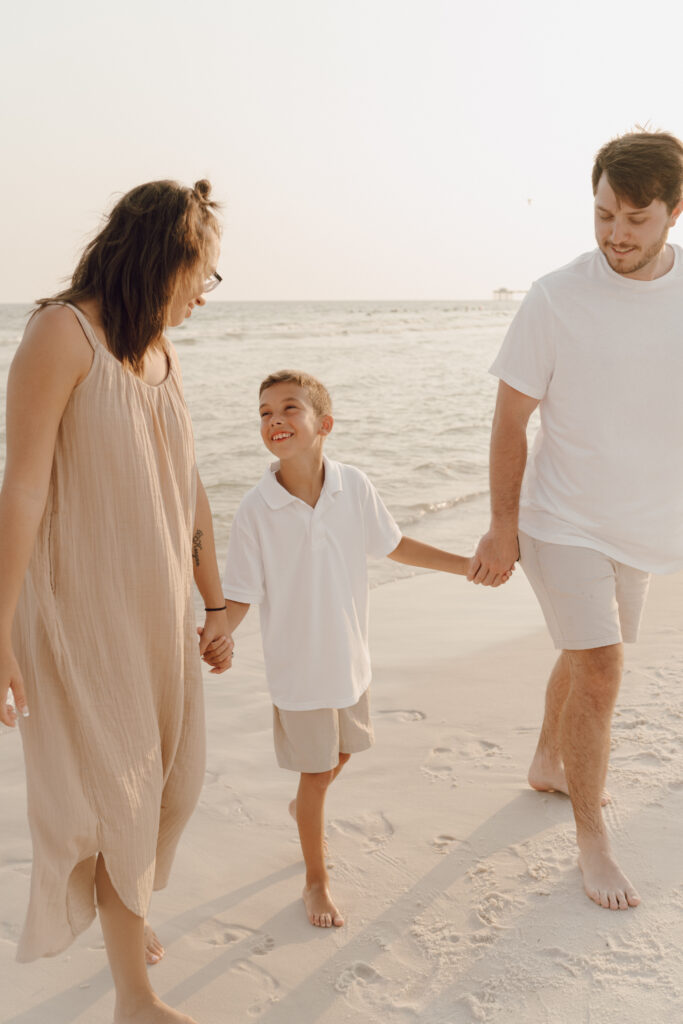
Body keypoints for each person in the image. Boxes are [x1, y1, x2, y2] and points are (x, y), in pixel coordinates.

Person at [0, 180, 233, 1024]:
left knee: (174, 784)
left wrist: (216, 601)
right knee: (119, 792)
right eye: (201, 275)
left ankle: (123, 916)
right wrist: (0, 631)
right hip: (77, 607)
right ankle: (135, 995)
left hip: (158, 606)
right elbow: (21, 488)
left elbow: (189, 483)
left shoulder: (161, 352)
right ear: (163, 259)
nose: (204, 294)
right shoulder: (63, 336)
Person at [468, 129, 683, 912]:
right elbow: (508, 420)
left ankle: (545, 761)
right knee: (600, 669)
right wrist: (501, 524)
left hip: (645, 524)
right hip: (560, 519)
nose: (614, 235)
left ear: (672, 213)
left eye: (634, 219)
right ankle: (592, 841)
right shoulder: (555, 296)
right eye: (602, 215)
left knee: (582, 652)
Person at [207, 370, 485, 929]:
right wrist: (221, 633)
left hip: (350, 660)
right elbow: (238, 594)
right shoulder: (256, 510)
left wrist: (466, 567)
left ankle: (302, 811)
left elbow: (395, 544)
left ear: (324, 424)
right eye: (264, 412)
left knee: (344, 754)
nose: (275, 419)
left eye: (289, 408)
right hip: (300, 671)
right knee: (314, 777)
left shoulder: (352, 486)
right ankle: (316, 880)